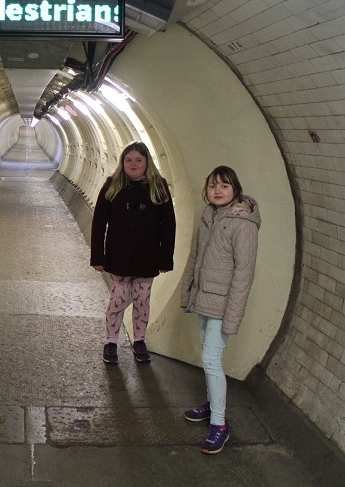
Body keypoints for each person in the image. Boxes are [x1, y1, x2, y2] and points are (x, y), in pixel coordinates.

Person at [180, 165, 260, 455]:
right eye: (213, 185)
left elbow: (244, 273)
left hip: (223, 305)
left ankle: (219, 425)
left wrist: (232, 317)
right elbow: (195, 257)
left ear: (235, 190)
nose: (217, 190)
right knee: (207, 355)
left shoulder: (243, 223)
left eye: (225, 186)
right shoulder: (208, 215)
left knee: (211, 359)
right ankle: (212, 404)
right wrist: (188, 292)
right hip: (204, 298)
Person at [90, 142, 176, 365]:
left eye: (138, 160)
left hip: (147, 258)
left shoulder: (159, 187)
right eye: (128, 160)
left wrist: (166, 258)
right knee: (117, 300)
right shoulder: (112, 186)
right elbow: (99, 223)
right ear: (122, 163)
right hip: (118, 257)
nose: (133, 164)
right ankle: (111, 342)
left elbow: (168, 226)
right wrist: (98, 256)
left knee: (141, 301)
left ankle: (139, 341)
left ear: (147, 162)